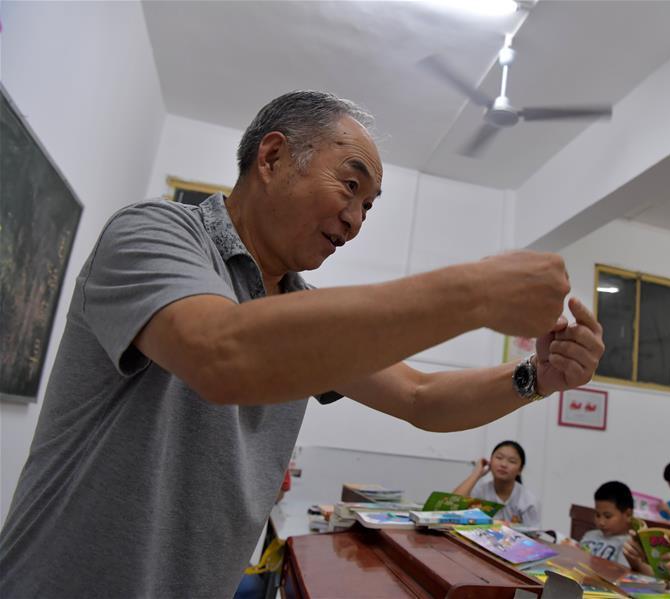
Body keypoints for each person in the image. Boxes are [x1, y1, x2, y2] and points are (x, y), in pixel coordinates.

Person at [0, 91, 605, 598]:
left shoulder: (303, 312)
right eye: (349, 186)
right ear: (272, 156)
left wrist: (535, 377)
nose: (356, 219)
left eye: (368, 207)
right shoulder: (153, 233)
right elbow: (221, 353)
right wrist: (475, 291)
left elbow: (421, 397)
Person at [453, 440, 540, 527]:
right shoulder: (480, 491)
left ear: (520, 469)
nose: (503, 464)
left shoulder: (528, 501)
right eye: (499, 458)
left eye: (512, 461)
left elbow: (533, 534)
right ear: (490, 461)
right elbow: (452, 506)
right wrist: (476, 474)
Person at [577, 481, 633, 565]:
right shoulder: (590, 535)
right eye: (597, 515)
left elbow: (621, 574)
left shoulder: (629, 545)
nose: (601, 522)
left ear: (628, 515)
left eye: (608, 516)